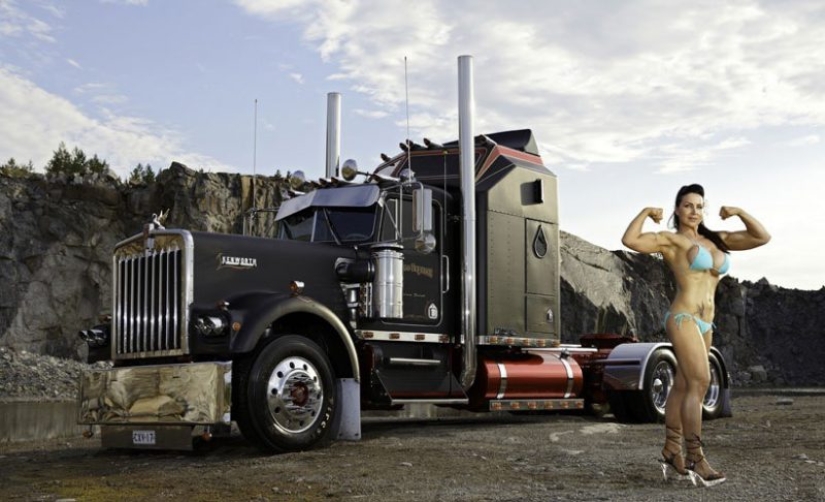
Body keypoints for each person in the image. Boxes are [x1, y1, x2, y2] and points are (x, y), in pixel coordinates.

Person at [621, 183, 770, 487]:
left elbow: (761, 236)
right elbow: (630, 239)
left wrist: (739, 212)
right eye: (688, 205)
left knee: (684, 384)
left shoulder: (716, 240)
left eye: (699, 206)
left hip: (706, 324)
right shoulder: (672, 241)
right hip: (684, 317)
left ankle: (670, 449)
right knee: (700, 382)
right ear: (677, 209)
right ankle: (695, 457)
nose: (694, 212)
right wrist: (646, 212)